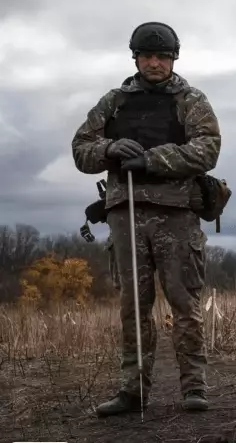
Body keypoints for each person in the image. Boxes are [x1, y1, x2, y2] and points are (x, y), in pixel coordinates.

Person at [70, 21, 221, 415]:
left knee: (184, 302)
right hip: (126, 213)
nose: (155, 63)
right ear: (135, 58)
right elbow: (81, 150)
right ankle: (132, 390)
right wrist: (110, 148)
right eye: (148, 56)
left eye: (163, 57)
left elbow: (207, 150)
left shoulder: (192, 99)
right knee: (132, 305)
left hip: (176, 213)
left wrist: (152, 159)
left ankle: (194, 387)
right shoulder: (114, 101)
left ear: (174, 58)